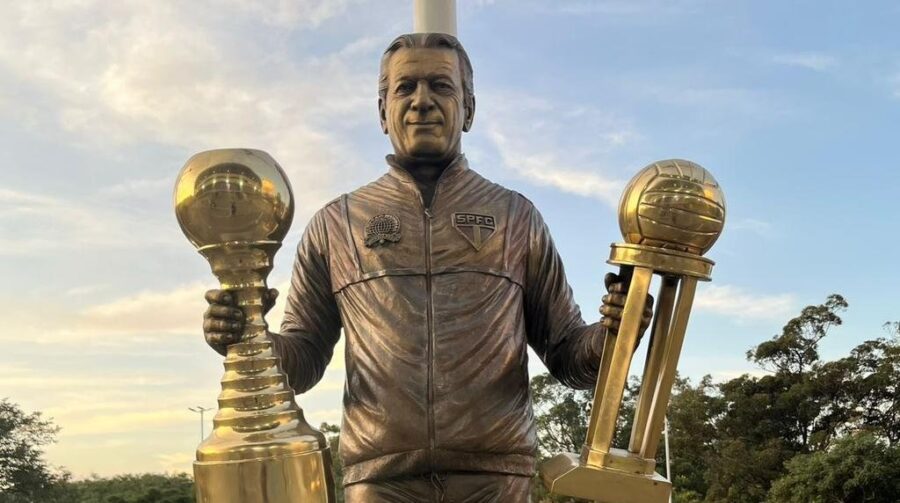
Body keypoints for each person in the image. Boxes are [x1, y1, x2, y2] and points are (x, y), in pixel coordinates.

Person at [202, 33, 652, 503]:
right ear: (382, 112)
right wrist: (246, 339)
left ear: (469, 109)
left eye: (441, 85)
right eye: (405, 88)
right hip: (379, 483)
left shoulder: (517, 218)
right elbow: (304, 360)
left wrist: (617, 332)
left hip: (496, 482)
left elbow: (569, 357)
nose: (422, 101)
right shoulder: (336, 224)